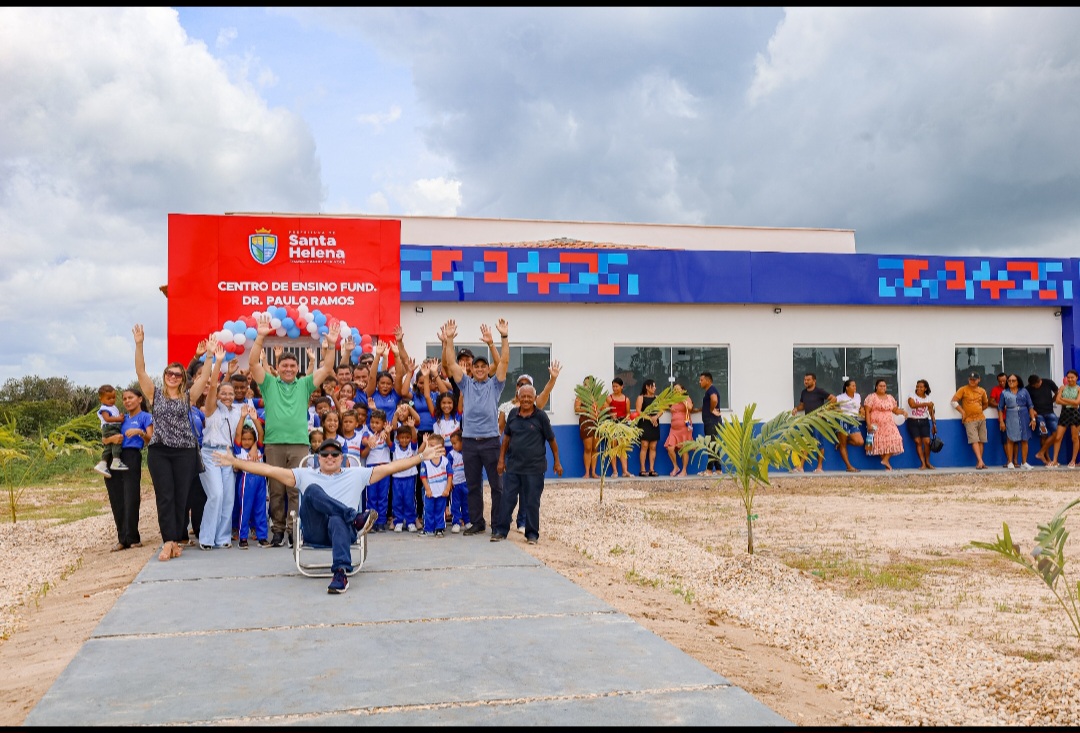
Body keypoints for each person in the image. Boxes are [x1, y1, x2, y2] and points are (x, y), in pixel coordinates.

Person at [214, 438, 444, 594]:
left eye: (335, 454)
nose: (330, 457)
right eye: (325, 454)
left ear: (342, 457)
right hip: (315, 530)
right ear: (317, 457)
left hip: (341, 532)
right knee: (313, 491)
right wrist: (235, 462)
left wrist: (421, 457)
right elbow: (270, 470)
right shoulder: (306, 473)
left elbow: (391, 467)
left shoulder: (357, 474)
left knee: (337, 519)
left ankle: (340, 574)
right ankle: (354, 517)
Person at [250, 316, 339, 548]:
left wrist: (331, 344)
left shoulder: (305, 384)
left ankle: (293, 531)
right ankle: (277, 530)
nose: (288, 369)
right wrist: (260, 337)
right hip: (274, 444)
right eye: (284, 366)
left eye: (292, 366)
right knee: (276, 491)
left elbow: (328, 367)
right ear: (278, 367)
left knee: (295, 490)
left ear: (297, 368)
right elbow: (252, 365)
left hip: (299, 444)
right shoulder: (268, 384)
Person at [133, 325, 216, 562]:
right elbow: (140, 372)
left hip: (185, 452)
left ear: (182, 378)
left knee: (182, 497)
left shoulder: (189, 395)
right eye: (169, 373)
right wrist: (139, 344)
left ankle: (176, 540)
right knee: (165, 495)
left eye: (177, 374)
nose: (172, 377)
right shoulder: (154, 394)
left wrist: (209, 355)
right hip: (160, 451)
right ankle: (168, 542)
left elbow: (205, 376)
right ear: (164, 376)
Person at [440, 318, 509, 537]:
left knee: (497, 487)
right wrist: (449, 340)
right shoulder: (465, 384)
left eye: (483, 367)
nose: (479, 369)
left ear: (488, 369)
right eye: (476, 367)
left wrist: (503, 338)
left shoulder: (494, 385)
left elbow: (504, 363)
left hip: (490, 441)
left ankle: (498, 526)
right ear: (472, 369)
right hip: (469, 442)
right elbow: (451, 365)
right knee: (473, 486)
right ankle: (477, 522)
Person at [493, 383, 562, 545]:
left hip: (535, 468)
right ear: (518, 397)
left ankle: (532, 534)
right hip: (513, 466)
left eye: (529, 397)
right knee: (507, 499)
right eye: (522, 396)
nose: (525, 399)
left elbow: (552, 440)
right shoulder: (512, 415)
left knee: (532, 501)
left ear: (534, 398)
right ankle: (500, 531)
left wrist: (557, 462)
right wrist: (501, 460)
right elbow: (506, 439)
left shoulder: (541, 417)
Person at [198, 345, 245, 550]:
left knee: (228, 498)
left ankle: (223, 538)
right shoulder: (210, 408)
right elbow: (215, 386)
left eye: (230, 393)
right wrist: (218, 362)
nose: (227, 396)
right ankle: (206, 538)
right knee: (215, 494)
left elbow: (238, 435)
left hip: (227, 454)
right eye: (223, 393)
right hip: (209, 452)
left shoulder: (236, 411)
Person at [103, 388, 153, 552]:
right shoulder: (119, 418)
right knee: (116, 496)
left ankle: (132, 537)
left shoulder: (145, 417)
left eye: (130, 397)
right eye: (124, 399)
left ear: (139, 399)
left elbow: (150, 439)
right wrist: (113, 438)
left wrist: (140, 432)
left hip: (131, 455)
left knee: (131, 495)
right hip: (113, 456)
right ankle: (121, 538)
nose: (127, 401)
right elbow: (105, 439)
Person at [233, 419, 269, 549]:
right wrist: (242, 417)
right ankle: (243, 537)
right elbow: (237, 434)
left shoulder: (258, 448)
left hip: (260, 478)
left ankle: (262, 537)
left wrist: (254, 418)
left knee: (260, 508)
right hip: (246, 479)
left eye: (249, 439)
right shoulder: (238, 450)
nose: (246, 441)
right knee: (245, 509)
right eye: (244, 439)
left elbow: (260, 432)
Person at [791, 372, 836, 472]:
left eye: (808, 380)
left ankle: (819, 467)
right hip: (807, 421)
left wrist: (825, 411)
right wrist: (796, 409)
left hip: (818, 422)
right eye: (805, 380)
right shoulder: (804, 392)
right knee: (805, 443)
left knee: (819, 443)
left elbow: (833, 399)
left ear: (814, 381)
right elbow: (802, 405)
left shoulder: (820, 391)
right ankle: (800, 467)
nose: (806, 381)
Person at [360, 408, 393, 530]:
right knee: (372, 496)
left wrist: (387, 434)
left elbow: (391, 446)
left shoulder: (386, 432)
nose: (374, 425)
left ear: (384, 424)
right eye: (372, 422)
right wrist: (369, 441)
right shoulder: (367, 432)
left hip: (384, 466)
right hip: (371, 468)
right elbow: (364, 443)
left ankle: (381, 521)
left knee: (383, 496)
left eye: (377, 423)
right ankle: (371, 522)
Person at [864, 379, 906, 470]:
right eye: (880, 386)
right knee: (881, 444)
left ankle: (885, 460)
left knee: (896, 439)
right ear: (876, 387)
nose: (883, 387)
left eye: (884, 386)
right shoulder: (872, 397)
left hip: (889, 424)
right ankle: (887, 465)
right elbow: (867, 411)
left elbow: (895, 410)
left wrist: (903, 412)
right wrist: (868, 424)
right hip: (877, 424)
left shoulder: (890, 397)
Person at [951, 372, 990, 470]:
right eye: (971, 379)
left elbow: (985, 403)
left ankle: (979, 462)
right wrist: (963, 412)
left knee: (981, 440)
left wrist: (978, 410)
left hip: (981, 418)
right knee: (974, 440)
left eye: (974, 379)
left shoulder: (982, 391)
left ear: (978, 380)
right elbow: (954, 401)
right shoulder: (963, 389)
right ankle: (980, 461)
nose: (972, 381)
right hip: (969, 419)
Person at [998, 374, 1035, 469]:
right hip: (1011, 416)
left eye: (1013, 380)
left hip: (1024, 416)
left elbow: (1030, 405)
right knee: (1010, 439)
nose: (1011, 382)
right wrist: (1001, 422)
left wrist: (1033, 419)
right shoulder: (1004, 393)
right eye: (1009, 380)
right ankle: (1010, 462)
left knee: (1024, 439)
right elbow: (1000, 408)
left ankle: (1024, 462)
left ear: (1018, 381)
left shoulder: (1024, 391)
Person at [419, 433, 453, 537]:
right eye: (429, 445)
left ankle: (439, 528)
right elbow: (423, 477)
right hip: (430, 492)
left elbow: (450, 475)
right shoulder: (426, 462)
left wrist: (447, 488)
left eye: (432, 445)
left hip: (442, 492)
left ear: (440, 448)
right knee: (428, 510)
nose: (430, 448)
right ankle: (428, 529)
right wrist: (427, 489)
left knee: (440, 511)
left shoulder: (445, 461)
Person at [94, 384, 128, 477]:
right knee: (117, 441)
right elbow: (107, 419)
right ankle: (116, 460)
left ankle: (103, 463)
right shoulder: (104, 408)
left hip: (112, 427)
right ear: (101, 399)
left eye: (113, 397)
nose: (112, 400)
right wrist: (118, 419)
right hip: (109, 428)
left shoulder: (113, 407)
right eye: (109, 398)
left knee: (109, 447)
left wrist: (120, 417)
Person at [390, 425, 419, 532]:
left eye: (407, 437)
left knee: (409, 500)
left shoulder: (413, 447)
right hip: (397, 478)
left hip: (410, 477)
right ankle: (398, 521)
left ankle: (411, 521)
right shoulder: (395, 448)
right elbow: (388, 442)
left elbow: (415, 438)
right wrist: (388, 432)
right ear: (397, 438)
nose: (404, 440)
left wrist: (412, 427)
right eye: (402, 437)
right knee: (397, 500)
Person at [1027, 374, 1060, 466]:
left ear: (1040, 381)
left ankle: (1041, 453)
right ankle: (1047, 458)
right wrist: (1032, 410)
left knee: (1056, 433)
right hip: (1039, 416)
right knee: (1044, 434)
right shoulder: (1028, 388)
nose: (1034, 387)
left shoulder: (1048, 383)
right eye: (1033, 386)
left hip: (1050, 412)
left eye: (1036, 385)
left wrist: (1052, 401)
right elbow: (1026, 402)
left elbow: (1057, 392)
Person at [664, 382, 695, 476]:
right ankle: (676, 467)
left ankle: (684, 470)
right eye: (674, 389)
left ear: (682, 390)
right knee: (670, 448)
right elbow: (664, 406)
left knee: (684, 450)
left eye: (678, 389)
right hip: (673, 429)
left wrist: (683, 399)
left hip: (684, 428)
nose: (676, 390)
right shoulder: (672, 400)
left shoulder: (686, 398)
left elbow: (690, 408)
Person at [696, 372, 723, 476]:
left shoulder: (711, 390)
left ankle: (709, 470)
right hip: (711, 422)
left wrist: (711, 409)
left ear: (708, 381)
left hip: (712, 422)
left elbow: (714, 399)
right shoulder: (709, 391)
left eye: (701, 380)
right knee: (714, 445)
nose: (700, 382)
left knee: (710, 446)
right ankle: (718, 470)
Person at [835, 378, 865, 472]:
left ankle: (841, 443)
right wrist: (837, 410)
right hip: (843, 419)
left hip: (854, 420)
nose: (855, 387)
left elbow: (858, 406)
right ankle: (849, 466)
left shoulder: (857, 396)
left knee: (859, 442)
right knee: (844, 446)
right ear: (847, 388)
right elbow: (831, 406)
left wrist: (861, 409)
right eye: (853, 385)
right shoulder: (840, 397)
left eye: (855, 385)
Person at [605, 377, 633, 478]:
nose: (614, 388)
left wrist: (627, 418)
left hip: (623, 424)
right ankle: (615, 471)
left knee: (622, 447)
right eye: (613, 386)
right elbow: (604, 409)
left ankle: (625, 471)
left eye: (616, 386)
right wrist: (610, 414)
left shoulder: (626, 399)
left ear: (622, 387)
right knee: (613, 447)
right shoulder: (609, 398)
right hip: (612, 424)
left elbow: (628, 412)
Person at [906, 379, 937, 470]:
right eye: (917, 386)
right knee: (917, 442)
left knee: (927, 442)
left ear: (925, 388)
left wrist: (934, 424)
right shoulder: (912, 395)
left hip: (924, 421)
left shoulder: (928, 398)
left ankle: (927, 462)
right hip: (913, 421)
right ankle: (922, 463)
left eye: (921, 387)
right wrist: (926, 404)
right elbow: (912, 405)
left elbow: (931, 412)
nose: (918, 388)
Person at [1052, 370, 1080, 468]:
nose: (1070, 379)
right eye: (1068, 377)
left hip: (1075, 414)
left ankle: (1073, 461)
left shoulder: (1078, 389)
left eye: (1072, 377)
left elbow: (1077, 403)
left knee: (1075, 438)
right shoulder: (1063, 388)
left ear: (1076, 378)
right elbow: (1057, 401)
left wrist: (1064, 400)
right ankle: (1055, 460)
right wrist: (1072, 402)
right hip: (1064, 413)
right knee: (1058, 437)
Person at [575, 376, 601, 479]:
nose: (587, 386)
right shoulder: (580, 396)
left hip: (596, 422)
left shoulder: (598, 396)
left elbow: (604, 407)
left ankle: (594, 472)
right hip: (586, 422)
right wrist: (588, 410)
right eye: (585, 384)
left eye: (589, 384)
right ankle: (586, 472)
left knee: (595, 448)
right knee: (588, 448)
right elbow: (576, 409)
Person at [636, 379, 661, 476]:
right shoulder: (641, 397)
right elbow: (638, 411)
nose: (655, 388)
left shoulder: (657, 398)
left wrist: (656, 417)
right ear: (647, 387)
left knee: (653, 446)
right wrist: (649, 418)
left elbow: (661, 409)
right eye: (653, 386)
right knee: (644, 445)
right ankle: (642, 469)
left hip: (655, 423)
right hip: (644, 423)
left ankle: (651, 469)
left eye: (655, 386)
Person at [447, 430, 469, 533]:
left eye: (455, 443)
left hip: (465, 482)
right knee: (455, 503)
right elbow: (448, 469)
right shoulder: (451, 455)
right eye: (452, 444)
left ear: (462, 442)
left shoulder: (467, 452)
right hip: (455, 483)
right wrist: (449, 481)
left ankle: (467, 520)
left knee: (466, 502)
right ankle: (456, 522)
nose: (453, 446)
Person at [988, 372, 1009, 467]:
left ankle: (1015, 461)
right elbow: (990, 402)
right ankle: (1009, 461)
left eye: (1004, 381)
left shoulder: (1012, 389)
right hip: (1003, 419)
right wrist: (1001, 405)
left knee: (1016, 440)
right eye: (1000, 381)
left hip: (1014, 418)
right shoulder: (995, 390)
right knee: (1005, 440)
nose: (1002, 383)